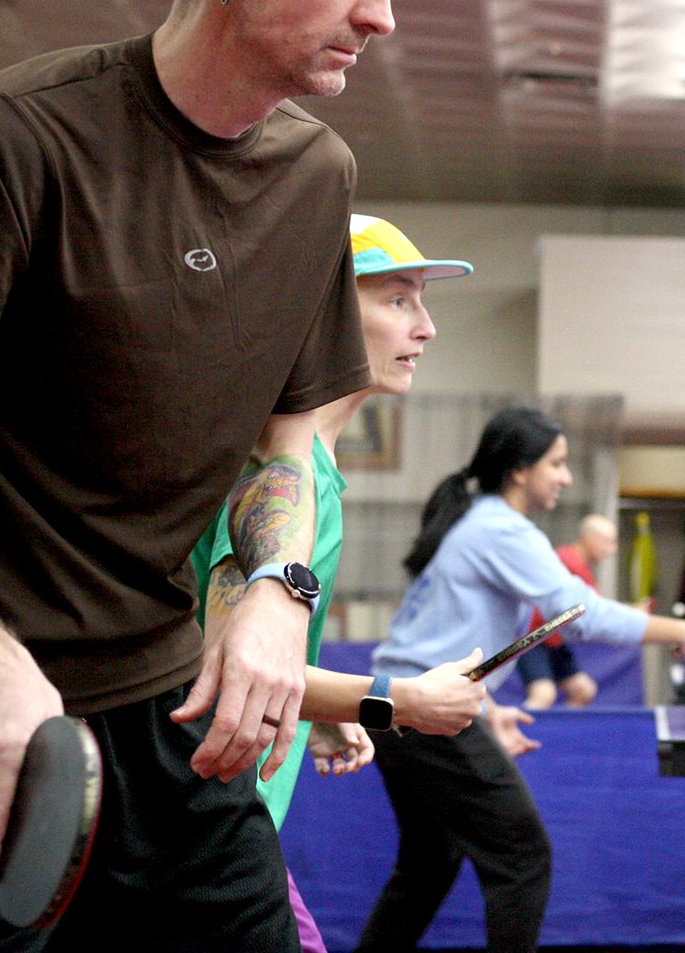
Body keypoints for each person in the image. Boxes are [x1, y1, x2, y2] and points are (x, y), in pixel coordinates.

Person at [0, 0, 467, 953]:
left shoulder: (317, 176)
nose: (382, 11)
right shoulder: (21, 139)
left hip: (170, 712)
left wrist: (272, 593)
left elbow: (286, 440)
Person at [191, 213, 479, 951]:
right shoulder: (278, 478)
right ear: (321, 313)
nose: (427, 327)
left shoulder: (306, 463)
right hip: (199, 822)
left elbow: (254, 645)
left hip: (220, 814)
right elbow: (228, 671)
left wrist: (315, 701)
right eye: (398, 300)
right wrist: (397, 703)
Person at [355, 407, 685, 953]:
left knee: (430, 861)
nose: (566, 477)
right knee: (523, 857)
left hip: (396, 705)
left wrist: (487, 708)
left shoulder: (474, 520)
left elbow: (436, 635)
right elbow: (581, 614)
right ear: (521, 469)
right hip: (416, 711)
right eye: (557, 464)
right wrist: (681, 628)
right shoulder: (499, 527)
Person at [517, 512, 618, 709]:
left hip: (553, 641)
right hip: (534, 639)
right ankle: (515, 736)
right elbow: (596, 610)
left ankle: (553, 737)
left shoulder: (580, 564)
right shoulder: (567, 562)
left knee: (583, 691)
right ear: (590, 539)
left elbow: (596, 606)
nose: (612, 550)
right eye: (608, 542)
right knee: (543, 695)